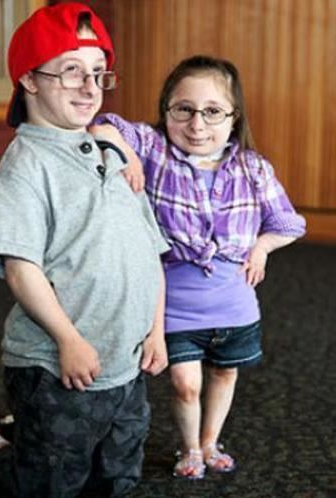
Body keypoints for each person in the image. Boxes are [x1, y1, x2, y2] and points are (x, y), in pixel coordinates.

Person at [0, 4, 170, 497]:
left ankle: (10, 430)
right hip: (56, 366)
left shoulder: (114, 155)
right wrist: (68, 340)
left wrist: (157, 330)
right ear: (30, 80)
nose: (89, 87)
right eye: (71, 71)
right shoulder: (25, 168)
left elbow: (149, 253)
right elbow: (21, 269)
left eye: (98, 73)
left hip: (127, 361)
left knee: (117, 477)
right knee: (49, 483)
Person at [90, 55, 306, 479]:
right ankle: (189, 448)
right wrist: (127, 156)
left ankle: (210, 441)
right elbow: (102, 126)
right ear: (166, 110)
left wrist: (261, 247)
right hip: (174, 303)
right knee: (185, 383)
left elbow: (289, 223)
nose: (197, 124)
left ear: (233, 116)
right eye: (183, 110)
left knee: (225, 375)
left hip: (234, 303)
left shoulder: (253, 167)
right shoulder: (155, 151)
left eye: (212, 112)